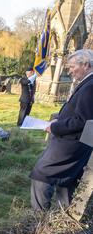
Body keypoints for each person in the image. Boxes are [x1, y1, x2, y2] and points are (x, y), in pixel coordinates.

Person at [30, 49, 93, 211]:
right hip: (81, 143)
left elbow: (82, 121)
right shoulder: (88, 83)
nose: (70, 71)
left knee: (42, 174)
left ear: (85, 65)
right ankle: (61, 221)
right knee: (67, 180)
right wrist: (60, 118)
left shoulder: (90, 86)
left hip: (72, 143)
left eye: (72, 67)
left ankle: (38, 218)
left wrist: (55, 126)